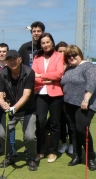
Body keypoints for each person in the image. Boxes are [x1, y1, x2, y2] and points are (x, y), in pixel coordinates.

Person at [0, 50, 37, 171]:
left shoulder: (29, 72)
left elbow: (26, 95)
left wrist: (15, 108)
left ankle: (31, 158)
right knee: (2, 135)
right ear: (6, 62)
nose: (12, 62)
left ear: (20, 59)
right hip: (10, 111)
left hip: (28, 110)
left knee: (29, 136)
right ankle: (9, 156)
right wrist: (3, 104)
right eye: (9, 60)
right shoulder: (3, 74)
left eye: (14, 59)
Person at [61, 45, 96, 171]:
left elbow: (91, 83)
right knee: (73, 130)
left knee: (82, 130)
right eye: (69, 56)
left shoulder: (88, 66)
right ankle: (77, 156)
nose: (71, 57)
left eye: (74, 55)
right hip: (69, 104)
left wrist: (86, 99)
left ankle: (90, 157)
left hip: (85, 104)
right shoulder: (68, 69)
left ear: (79, 54)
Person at [32, 33, 64, 163]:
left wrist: (42, 76)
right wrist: (48, 78)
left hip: (56, 94)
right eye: (43, 43)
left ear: (52, 42)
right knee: (40, 123)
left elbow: (59, 73)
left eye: (47, 42)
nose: (45, 45)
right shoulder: (37, 57)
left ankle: (52, 151)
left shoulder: (59, 56)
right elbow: (33, 75)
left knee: (55, 123)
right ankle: (41, 151)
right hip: (40, 93)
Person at [0, 43, 17, 157]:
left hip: (9, 101)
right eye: (0, 51)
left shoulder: (12, 66)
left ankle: (12, 147)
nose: (2, 53)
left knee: (10, 125)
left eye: (4, 51)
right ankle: (0, 146)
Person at [54, 41, 73, 154]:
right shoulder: (55, 64)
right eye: (59, 51)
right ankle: (63, 143)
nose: (62, 53)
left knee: (70, 122)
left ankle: (71, 144)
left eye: (64, 51)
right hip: (58, 98)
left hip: (70, 99)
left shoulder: (71, 65)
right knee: (60, 122)